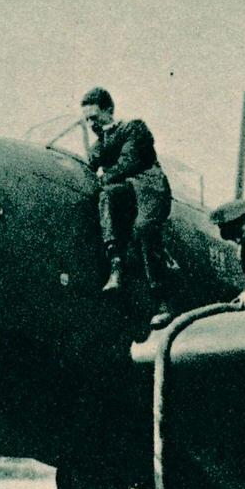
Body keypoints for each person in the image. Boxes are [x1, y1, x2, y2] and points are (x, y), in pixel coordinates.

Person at [80, 86, 175, 327]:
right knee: (107, 197)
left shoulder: (134, 128)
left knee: (145, 229)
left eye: (95, 117)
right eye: (87, 120)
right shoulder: (101, 140)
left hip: (149, 186)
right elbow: (91, 163)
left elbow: (128, 163)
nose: (91, 123)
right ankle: (116, 267)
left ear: (109, 110)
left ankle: (162, 301)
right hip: (126, 189)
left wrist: (102, 174)